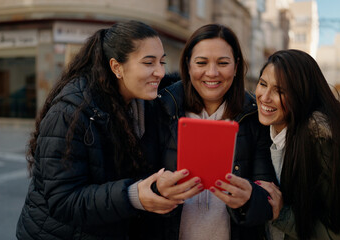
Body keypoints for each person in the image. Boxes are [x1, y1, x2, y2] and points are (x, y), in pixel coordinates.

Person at [16, 20, 183, 240]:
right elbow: (63, 200)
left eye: (162, 62)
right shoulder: (71, 112)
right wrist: (133, 195)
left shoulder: (146, 100)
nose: (160, 72)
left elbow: (190, 84)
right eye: (148, 63)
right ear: (116, 67)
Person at [150, 23, 277, 240]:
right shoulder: (160, 108)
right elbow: (137, 182)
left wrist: (249, 197)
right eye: (201, 63)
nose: (212, 73)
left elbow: (268, 201)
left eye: (223, 63)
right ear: (188, 65)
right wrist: (156, 189)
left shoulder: (254, 117)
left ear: (236, 66)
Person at [254, 49, 340, 240]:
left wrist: (281, 214)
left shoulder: (325, 142)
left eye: (280, 91)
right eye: (263, 84)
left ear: (301, 94)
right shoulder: (261, 130)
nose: (264, 97)